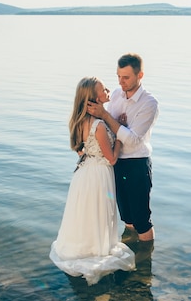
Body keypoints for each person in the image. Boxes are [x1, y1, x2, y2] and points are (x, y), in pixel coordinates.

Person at [49, 76, 135, 285]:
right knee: (99, 210)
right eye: (103, 88)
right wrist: (120, 138)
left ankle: (83, 246)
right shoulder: (98, 125)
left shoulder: (78, 121)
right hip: (99, 175)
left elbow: (81, 150)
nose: (108, 90)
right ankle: (97, 250)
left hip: (83, 174)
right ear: (93, 98)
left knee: (85, 212)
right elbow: (112, 159)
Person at [87, 53, 159, 242]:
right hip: (116, 163)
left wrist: (109, 118)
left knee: (142, 220)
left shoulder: (149, 103)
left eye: (126, 77)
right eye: (118, 76)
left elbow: (133, 140)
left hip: (137, 164)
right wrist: (114, 123)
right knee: (127, 218)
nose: (121, 82)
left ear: (140, 75)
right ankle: (130, 254)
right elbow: (109, 127)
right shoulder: (117, 95)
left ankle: (144, 265)